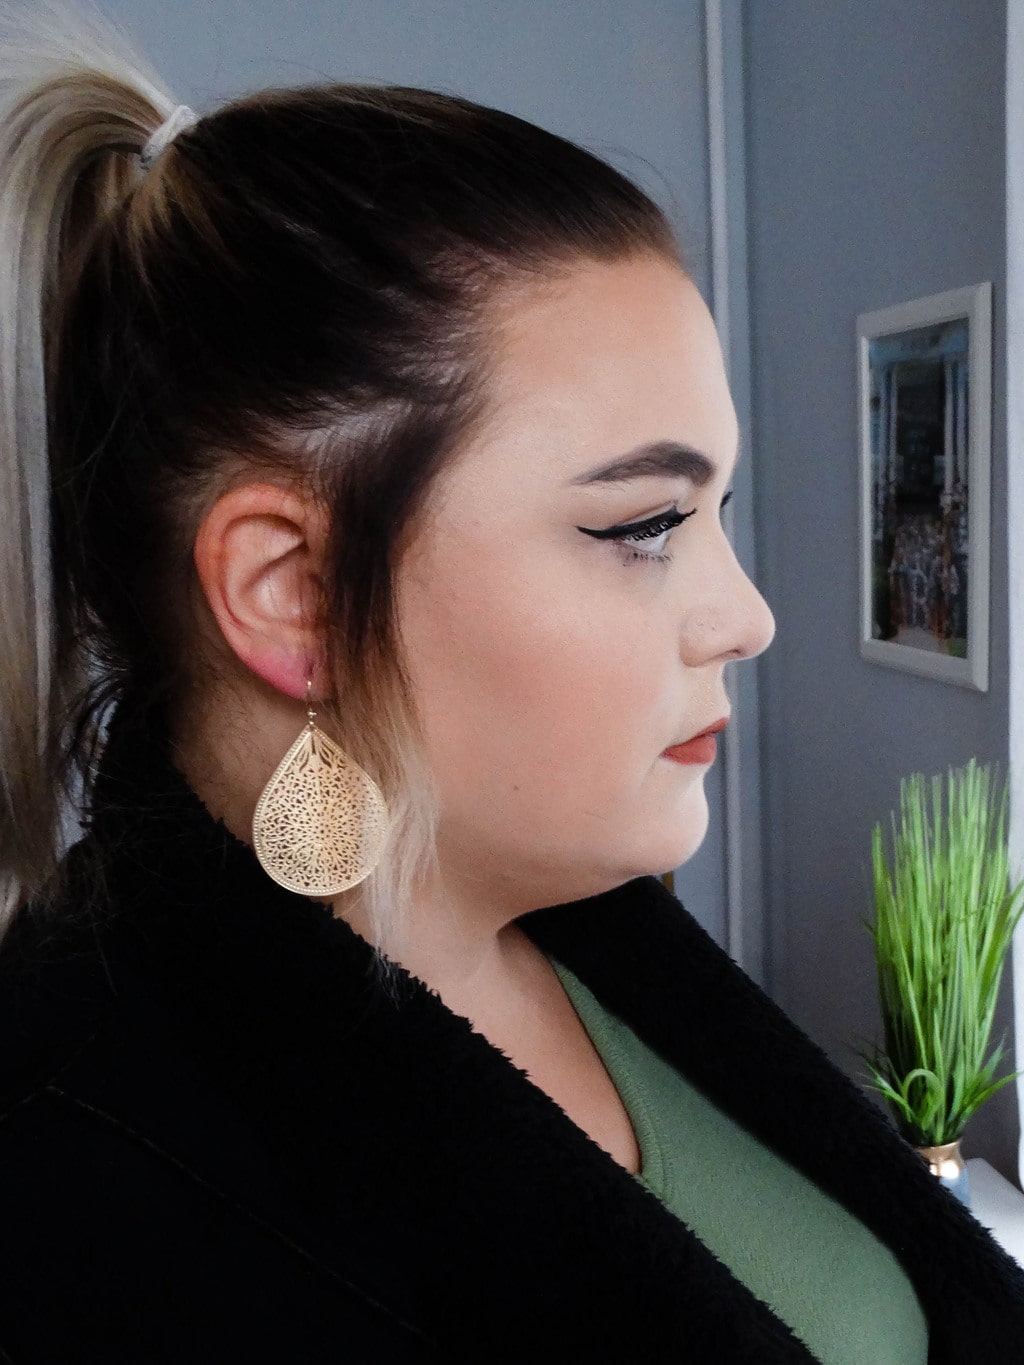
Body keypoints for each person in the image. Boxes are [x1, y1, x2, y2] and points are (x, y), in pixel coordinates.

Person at [1, 4, 1022, 1362]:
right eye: (644, 524)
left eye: (716, 511)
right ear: (289, 593)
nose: (751, 616)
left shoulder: (574, 916)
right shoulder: (72, 1186)